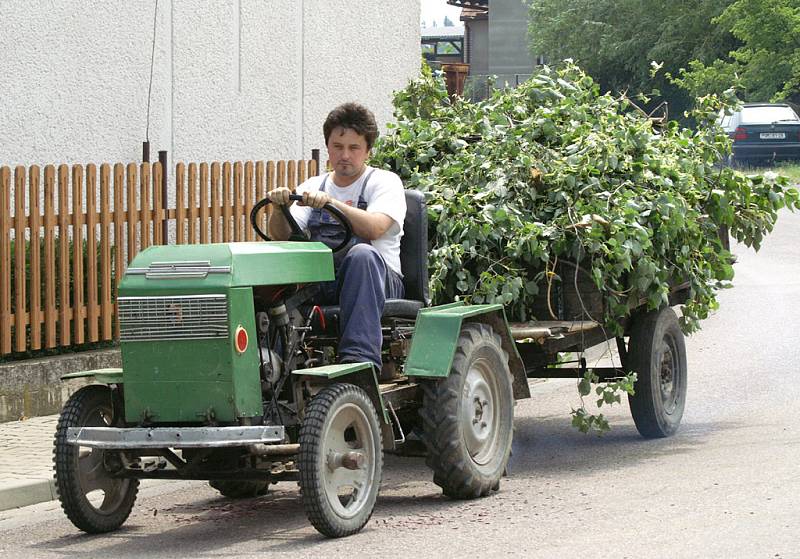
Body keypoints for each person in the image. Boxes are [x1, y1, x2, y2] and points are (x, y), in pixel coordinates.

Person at [267, 102, 406, 370]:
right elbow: (280, 236)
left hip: (379, 280)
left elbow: (374, 228)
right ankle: (271, 363)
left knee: (362, 254)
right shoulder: (312, 186)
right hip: (323, 283)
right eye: (338, 147)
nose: (345, 155)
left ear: (367, 150)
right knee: (272, 264)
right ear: (328, 147)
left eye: (354, 148)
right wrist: (278, 208)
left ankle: (359, 364)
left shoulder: (384, 182)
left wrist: (331, 204)